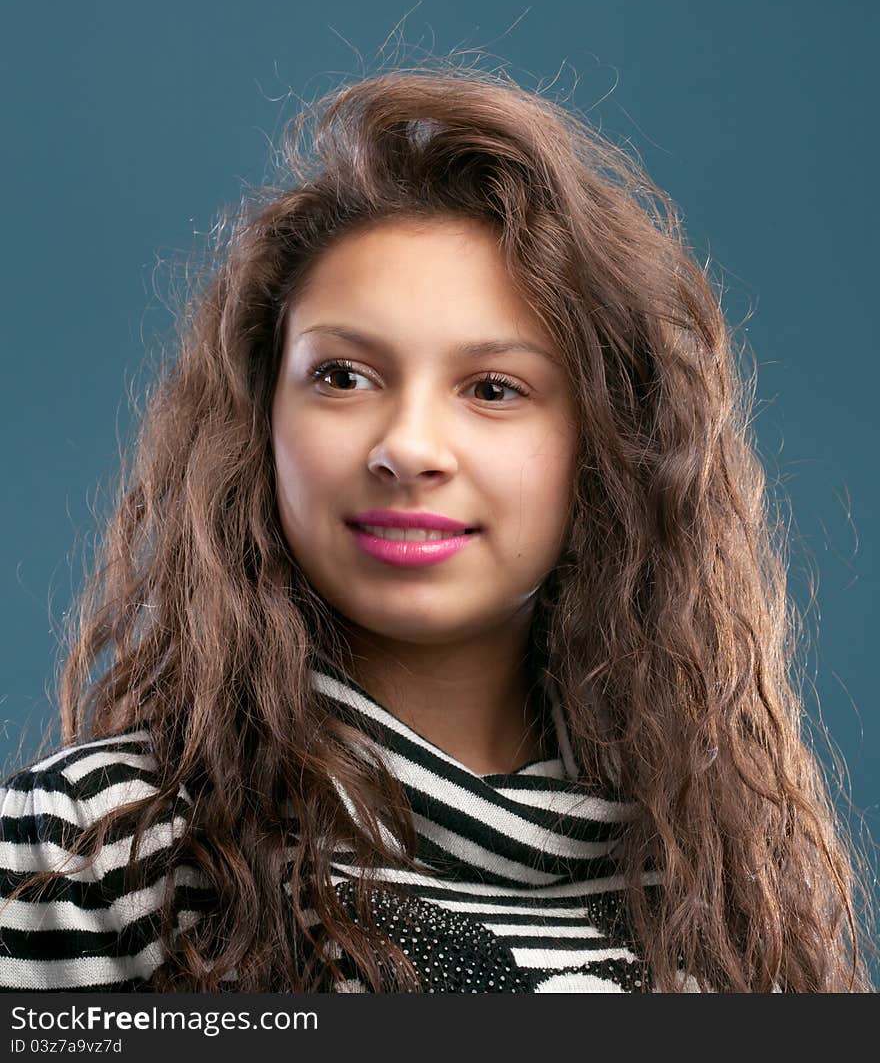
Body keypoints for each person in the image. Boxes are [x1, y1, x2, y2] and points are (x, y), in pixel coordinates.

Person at [0, 65, 874, 993]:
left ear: (605, 446)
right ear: (262, 416)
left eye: (493, 389)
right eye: (342, 376)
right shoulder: (87, 851)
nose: (408, 447)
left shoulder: (726, 892)